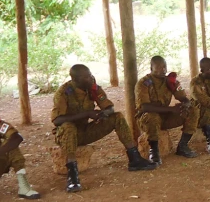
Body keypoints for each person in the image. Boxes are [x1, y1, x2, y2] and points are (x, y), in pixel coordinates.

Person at [52, 64, 156, 193]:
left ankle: (134, 159)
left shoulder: (92, 88)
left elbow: (109, 108)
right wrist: (87, 114)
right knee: (68, 127)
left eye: (90, 75)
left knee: (117, 117)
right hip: (66, 135)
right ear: (75, 79)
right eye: (86, 77)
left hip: (85, 131)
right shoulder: (63, 93)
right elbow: (57, 120)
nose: (91, 78)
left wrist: (103, 114)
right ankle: (73, 177)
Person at [136, 56, 201, 165]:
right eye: (159, 67)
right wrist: (171, 109)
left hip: (165, 118)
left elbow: (183, 98)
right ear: (151, 68)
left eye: (165, 67)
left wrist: (186, 104)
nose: (163, 70)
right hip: (146, 119)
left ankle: (183, 146)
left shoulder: (170, 81)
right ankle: (154, 151)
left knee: (193, 109)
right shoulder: (144, 83)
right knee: (152, 116)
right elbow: (144, 107)